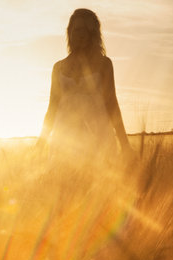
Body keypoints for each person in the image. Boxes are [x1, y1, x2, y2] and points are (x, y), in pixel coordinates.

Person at [38, 9, 132, 161]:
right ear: (70, 32)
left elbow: (112, 103)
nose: (82, 34)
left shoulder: (104, 64)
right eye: (77, 29)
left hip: (99, 138)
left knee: (100, 182)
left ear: (93, 34)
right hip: (65, 140)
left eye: (87, 30)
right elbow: (52, 108)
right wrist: (40, 143)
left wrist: (124, 143)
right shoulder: (58, 67)